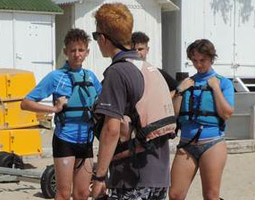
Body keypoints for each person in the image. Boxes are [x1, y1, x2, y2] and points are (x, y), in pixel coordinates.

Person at [89, 3, 176, 199]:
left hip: (133, 177)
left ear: (103, 38)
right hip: (159, 176)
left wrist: (100, 176)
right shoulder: (147, 68)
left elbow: (111, 129)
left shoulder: (117, 72)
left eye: (96, 37)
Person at [21, 28, 100, 200]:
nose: (77, 54)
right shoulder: (56, 77)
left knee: (83, 194)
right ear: (65, 51)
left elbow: (102, 105)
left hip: (86, 141)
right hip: (65, 139)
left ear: (87, 52)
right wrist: (53, 109)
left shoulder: (91, 77)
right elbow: (25, 103)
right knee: (63, 194)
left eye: (81, 50)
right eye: (73, 50)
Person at [169, 39, 235, 200]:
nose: (198, 65)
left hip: (212, 144)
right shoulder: (188, 83)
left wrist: (216, 88)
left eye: (203, 60)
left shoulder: (223, 83)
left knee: (211, 196)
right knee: (175, 195)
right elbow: (174, 113)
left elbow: (226, 113)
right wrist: (179, 90)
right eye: (195, 61)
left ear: (212, 59)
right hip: (186, 144)